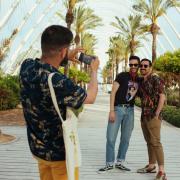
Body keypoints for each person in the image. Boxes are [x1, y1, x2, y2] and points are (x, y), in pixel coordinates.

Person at [19, 25, 99, 180]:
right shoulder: (58, 82)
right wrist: (94, 70)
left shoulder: (26, 66)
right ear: (63, 51)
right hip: (61, 156)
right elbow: (91, 97)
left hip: (39, 150)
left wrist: (65, 55)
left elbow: (47, 62)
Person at [98, 55, 140, 173]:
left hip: (130, 111)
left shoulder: (139, 79)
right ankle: (109, 163)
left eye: (135, 65)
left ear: (138, 65)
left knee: (126, 138)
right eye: (130, 64)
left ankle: (120, 162)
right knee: (111, 138)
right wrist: (111, 110)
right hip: (118, 109)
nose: (132, 67)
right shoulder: (122, 76)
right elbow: (113, 93)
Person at [137, 58, 166, 180]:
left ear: (150, 67)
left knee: (156, 142)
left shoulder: (155, 78)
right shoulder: (142, 81)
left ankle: (162, 171)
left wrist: (157, 113)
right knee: (149, 142)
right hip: (144, 116)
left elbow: (162, 96)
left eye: (145, 66)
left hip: (153, 116)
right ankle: (151, 165)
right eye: (141, 66)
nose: (143, 67)